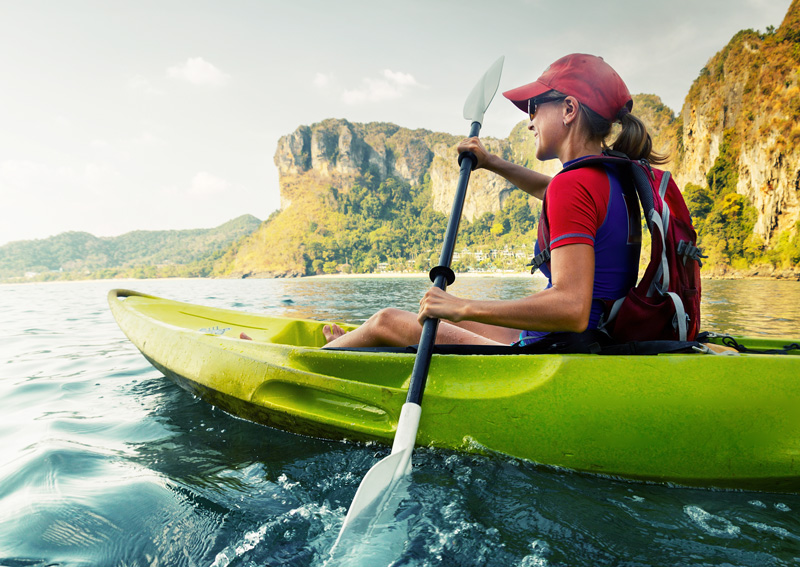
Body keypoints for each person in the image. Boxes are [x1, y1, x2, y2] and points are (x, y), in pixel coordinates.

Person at [322, 53, 666, 349]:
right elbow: (553, 193)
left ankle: (326, 357)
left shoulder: (573, 185)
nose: (529, 121)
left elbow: (571, 308)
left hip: (553, 350)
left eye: (533, 108)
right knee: (425, 319)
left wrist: (462, 307)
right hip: (586, 340)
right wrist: (491, 162)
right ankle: (353, 344)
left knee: (387, 320)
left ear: (569, 109)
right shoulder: (609, 178)